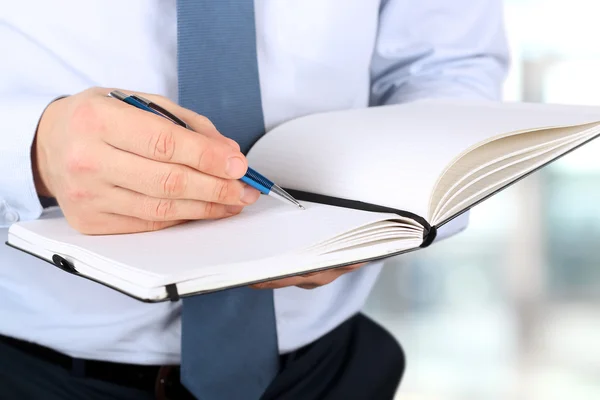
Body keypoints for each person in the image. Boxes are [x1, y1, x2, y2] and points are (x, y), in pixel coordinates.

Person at [0, 1, 509, 399]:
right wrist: (30, 152)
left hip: (331, 370)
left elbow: (448, 67)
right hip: (30, 372)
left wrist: (391, 206)